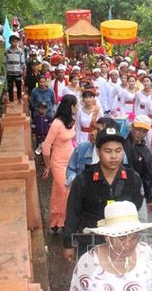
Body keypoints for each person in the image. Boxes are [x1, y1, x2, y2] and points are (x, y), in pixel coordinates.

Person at [62, 127, 144, 261]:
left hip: (122, 245)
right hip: (90, 243)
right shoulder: (84, 179)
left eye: (118, 151)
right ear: (98, 152)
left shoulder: (132, 178)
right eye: (108, 151)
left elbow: (137, 207)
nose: (114, 156)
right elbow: (73, 213)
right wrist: (68, 243)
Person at [69, 201, 152, 290]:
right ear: (107, 237)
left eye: (134, 237)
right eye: (121, 238)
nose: (128, 244)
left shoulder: (145, 252)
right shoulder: (88, 263)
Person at [41, 94, 77, 232]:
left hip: (71, 160)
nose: (77, 108)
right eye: (76, 105)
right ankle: (69, 220)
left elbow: (72, 140)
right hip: (58, 162)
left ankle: (56, 222)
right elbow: (45, 146)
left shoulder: (72, 122)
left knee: (58, 192)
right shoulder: (56, 124)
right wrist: (48, 166)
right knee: (66, 190)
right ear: (70, 107)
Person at [65, 117, 121, 187]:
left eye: (98, 130)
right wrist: (74, 180)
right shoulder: (82, 148)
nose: (92, 133)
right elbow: (71, 169)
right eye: (94, 128)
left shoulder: (119, 154)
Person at [123, 115, 152, 222]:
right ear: (132, 126)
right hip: (120, 189)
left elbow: (147, 176)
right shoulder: (121, 143)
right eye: (138, 129)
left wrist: (149, 198)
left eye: (144, 131)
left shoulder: (145, 152)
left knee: (142, 222)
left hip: (137, 191)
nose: (140, 133)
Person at [1, 33, 26, 104]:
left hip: (18, 72)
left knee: (19, 86)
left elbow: (23, 62)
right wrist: (3, 69)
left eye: (16, 41)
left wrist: (23, 70)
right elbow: (4, 62)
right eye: (13, 41)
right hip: (10, 72)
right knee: (10, 87)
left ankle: (19, 98)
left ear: (18, 42)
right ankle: (11, 100)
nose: (14, 43)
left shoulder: (20, 51)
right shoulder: (7, 51)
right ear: (10, 42)